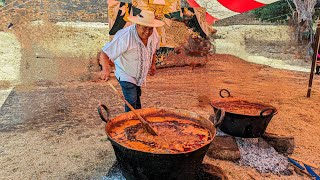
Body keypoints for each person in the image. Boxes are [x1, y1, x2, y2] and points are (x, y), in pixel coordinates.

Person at [99, 10, 165, 112]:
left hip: (139, 74)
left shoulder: (154, 33)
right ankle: (130, 123)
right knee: (131, 98)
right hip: (125, 72)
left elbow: (153, 49)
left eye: (150, 29)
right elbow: (104, 53)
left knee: (137, 96)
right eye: (144, 28)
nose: (147, 32)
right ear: (137, 25)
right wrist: (106, 69)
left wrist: (152, 65)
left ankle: (138, 118)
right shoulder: (125, 36)